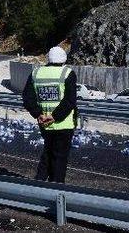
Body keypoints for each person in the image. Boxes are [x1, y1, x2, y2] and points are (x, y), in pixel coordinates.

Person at [22, 46, 78, 183]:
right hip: (63, 124)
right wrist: (54, 116)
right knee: (59, 157)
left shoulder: (36, 73)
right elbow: (70, 101)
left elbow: (27, 97)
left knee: (48, 152)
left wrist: (38, 114)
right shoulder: (67, 73)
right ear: (63, 59)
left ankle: (40, 183)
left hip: (44, 124)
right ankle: (56, 188)